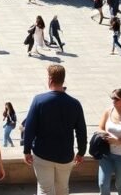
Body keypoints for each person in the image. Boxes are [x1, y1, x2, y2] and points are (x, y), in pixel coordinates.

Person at [23, 65, 87, 195]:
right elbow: (81, 131)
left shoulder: (39, 100)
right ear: (63, 80)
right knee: (62, 189)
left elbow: (29, 128)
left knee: (45, 190)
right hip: (65, 155)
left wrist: (26, 150)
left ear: (50, 79)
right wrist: (81, 151)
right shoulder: (75, 103)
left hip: (43, 153)